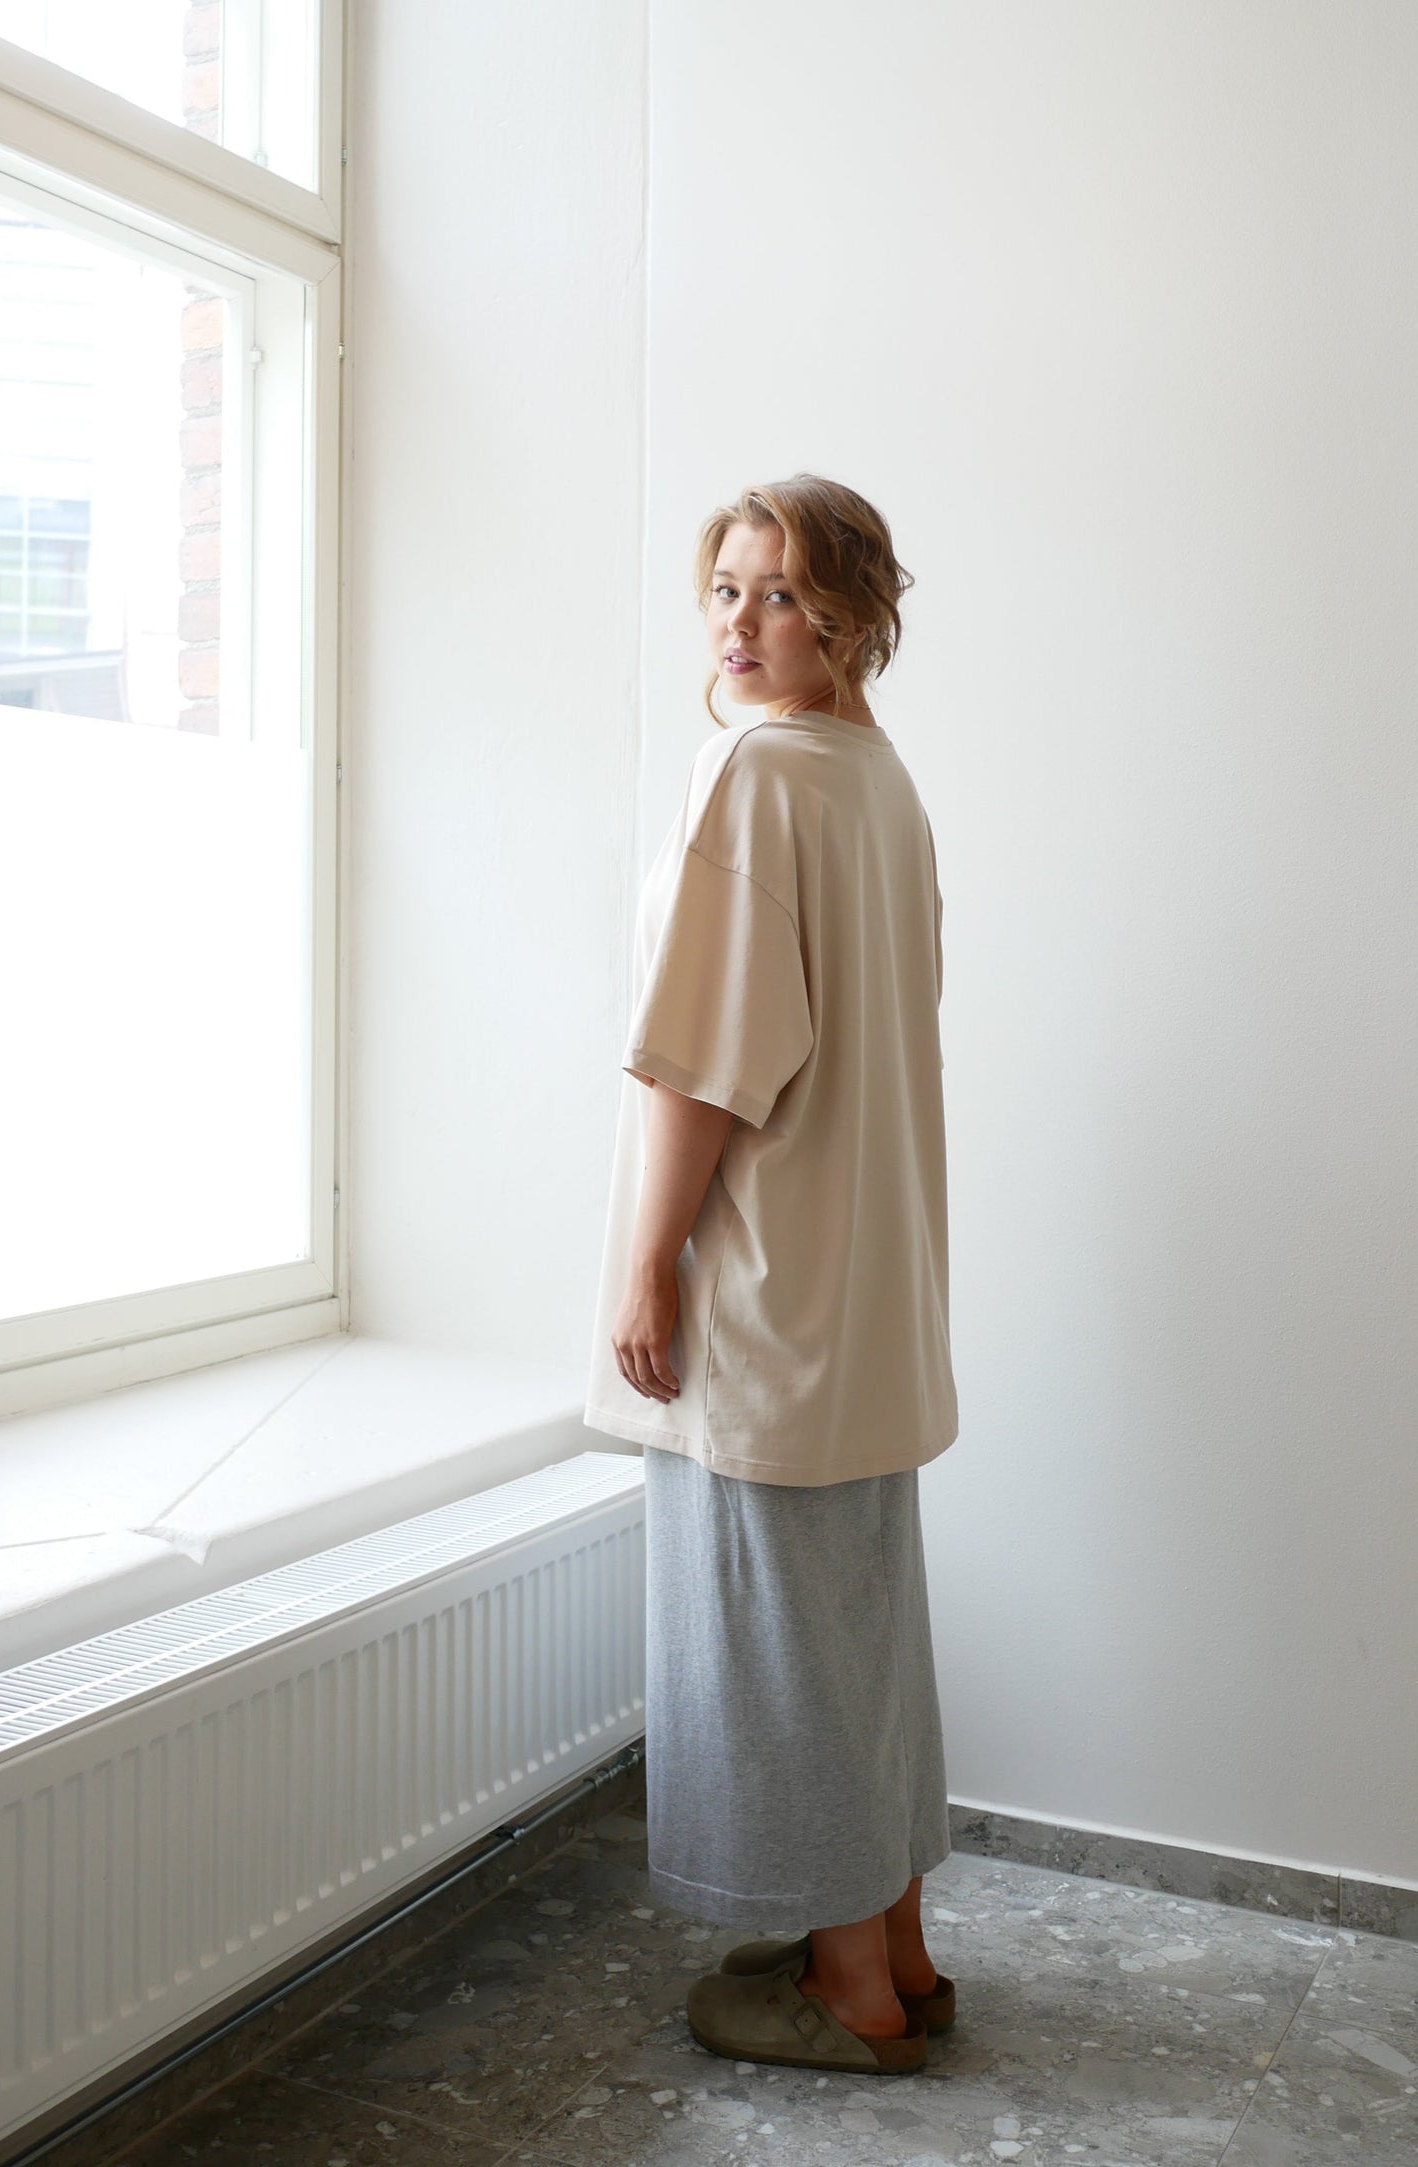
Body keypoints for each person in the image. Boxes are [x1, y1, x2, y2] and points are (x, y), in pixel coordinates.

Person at [583, 473, 960, 2078]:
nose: (740, 623)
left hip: (765, 1285)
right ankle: (893, 1951)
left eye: (784, 592)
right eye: (726, 589)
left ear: (854, 617)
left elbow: (707, 1060)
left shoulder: (751, 774)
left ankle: (845, 1995)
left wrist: (648, 1267)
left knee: (773, 1645)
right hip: (868, 1291)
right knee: (857, 1632)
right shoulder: (879, 782)